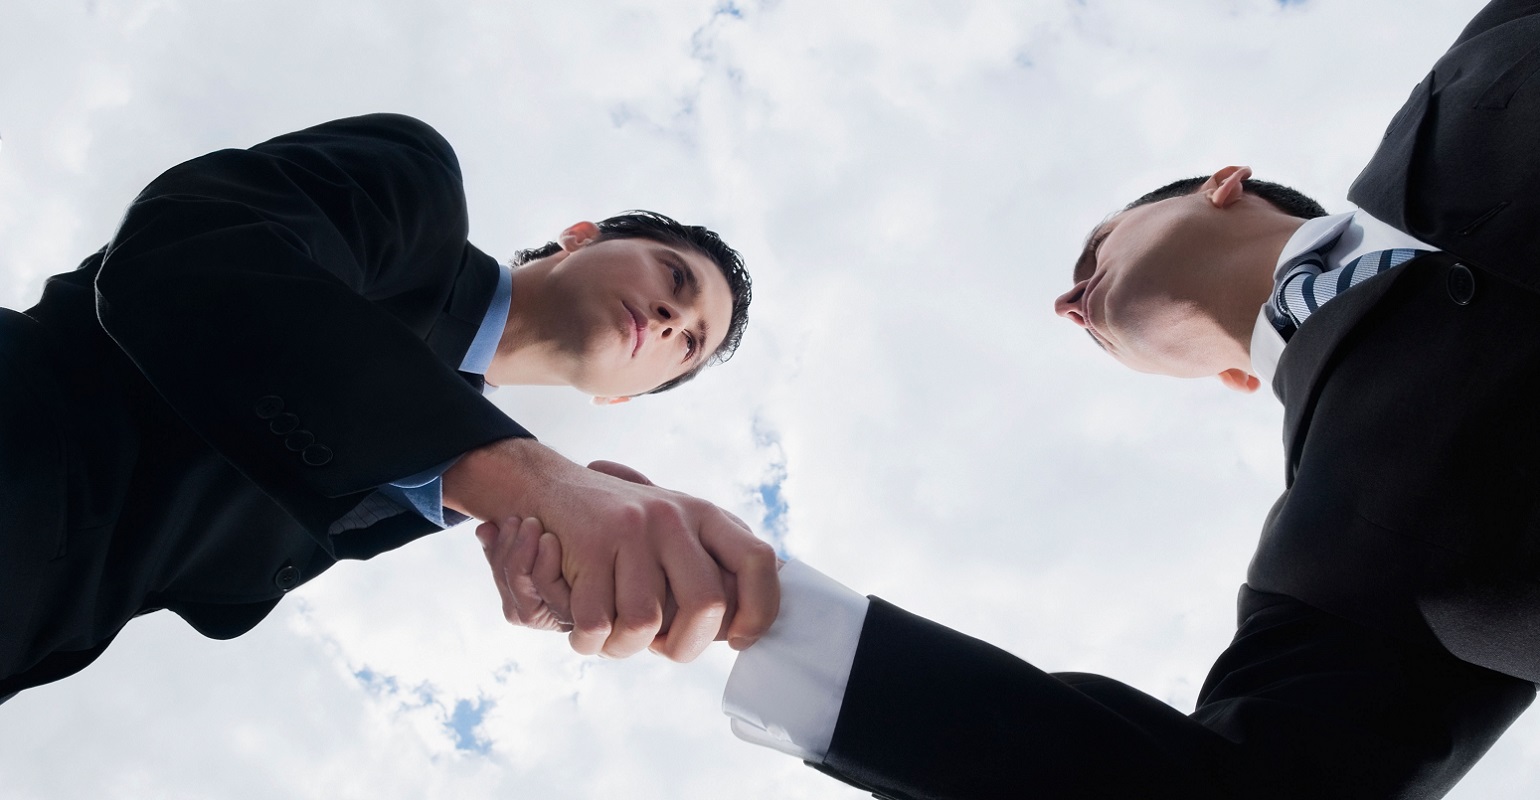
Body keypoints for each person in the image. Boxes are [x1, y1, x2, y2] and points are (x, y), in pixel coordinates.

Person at [568, 0, 1537, 797]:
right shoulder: (1323, 568)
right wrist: (761, 608)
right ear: (1233, 381)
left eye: (1093, 251)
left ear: (1223, 185)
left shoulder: (1469, 74)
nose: (1068, 299)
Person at [0, 113, 780, 701]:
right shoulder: (420, 190)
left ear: (620, 397)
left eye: (688, 344)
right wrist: (526, 480)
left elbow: (212, 592)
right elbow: (183, 256)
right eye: (673, 279)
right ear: (577, 238)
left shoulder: (434, 504)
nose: (674, 321)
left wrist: (541, 541)